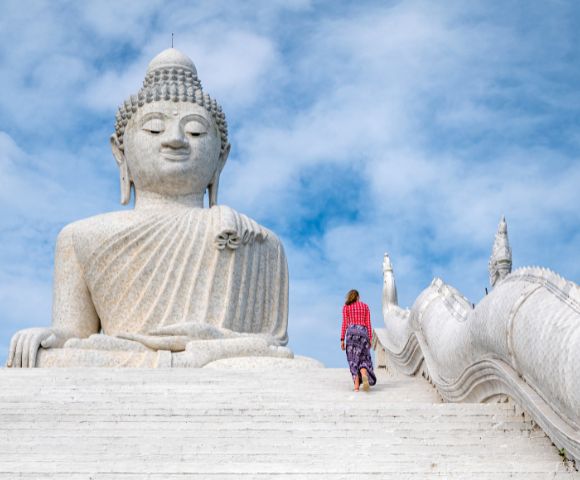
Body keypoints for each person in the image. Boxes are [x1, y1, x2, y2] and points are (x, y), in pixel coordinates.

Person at [340, 289, 377, 391]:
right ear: (358, 297)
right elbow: (368, 323)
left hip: (351, 334)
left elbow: (344, 324)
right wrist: (370, 338)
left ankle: (356, 386)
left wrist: (342, 339)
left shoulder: (346, 307)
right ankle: (364, 374)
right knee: (363, 358)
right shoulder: (365, 306)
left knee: (353, 359)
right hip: (363, 333)